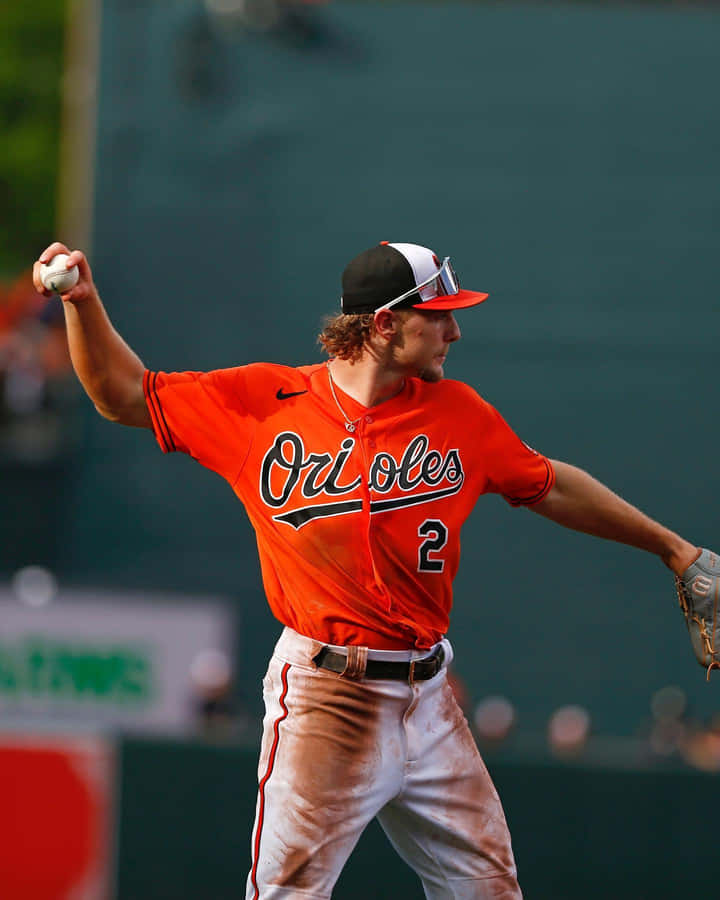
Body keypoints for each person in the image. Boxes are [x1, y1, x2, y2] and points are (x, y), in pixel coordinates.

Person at [34, 239, 703, 899]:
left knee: (492, 893)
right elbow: (123, 394)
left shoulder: (460, 415)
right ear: (384, 324)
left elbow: (549, 484)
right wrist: (83, 306)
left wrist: (675, 549)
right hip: (328, 695)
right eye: (438, 314)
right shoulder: (266, 402)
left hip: (431, 698)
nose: (455, 330)